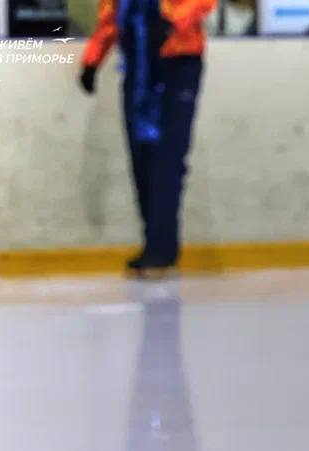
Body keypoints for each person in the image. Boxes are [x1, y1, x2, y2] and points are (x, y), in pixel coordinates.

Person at [78, 0, 215, 275]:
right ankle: (155, 244)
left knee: (168, 157)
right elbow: (112, 15)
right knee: (142, 158)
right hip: (138, 66)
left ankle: (161, 251)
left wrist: (171, 23)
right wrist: (93, 59)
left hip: (178, 62)